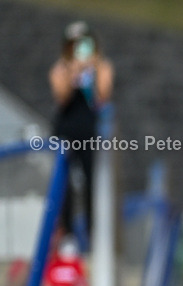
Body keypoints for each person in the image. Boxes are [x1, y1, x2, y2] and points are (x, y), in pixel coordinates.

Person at [49, 21, 114, 241]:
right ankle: (66, 232)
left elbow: (103, 97)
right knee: (63, 181)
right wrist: (72, 71)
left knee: (91, 180)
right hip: (66, 130)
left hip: (89, 131)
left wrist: (93, 70)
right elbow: (61, 96)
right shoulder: (60, 68)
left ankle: (92, 233)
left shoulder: (101, 67)